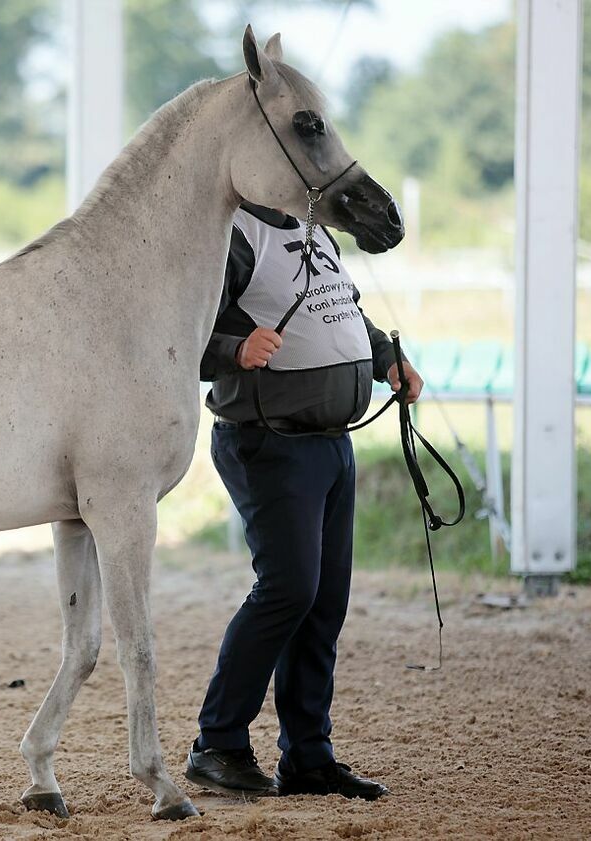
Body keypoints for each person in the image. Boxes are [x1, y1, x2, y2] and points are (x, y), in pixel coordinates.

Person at [184, 201, 422, 801]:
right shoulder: (235, 234)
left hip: (331, 445)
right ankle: (218, 744)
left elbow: (342, 314)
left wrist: (385, 358)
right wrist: (234, 351)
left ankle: (309, 758)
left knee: (323, 601)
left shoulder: (317, 230)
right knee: (289, 589)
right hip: (268, 441)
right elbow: (181, 328)